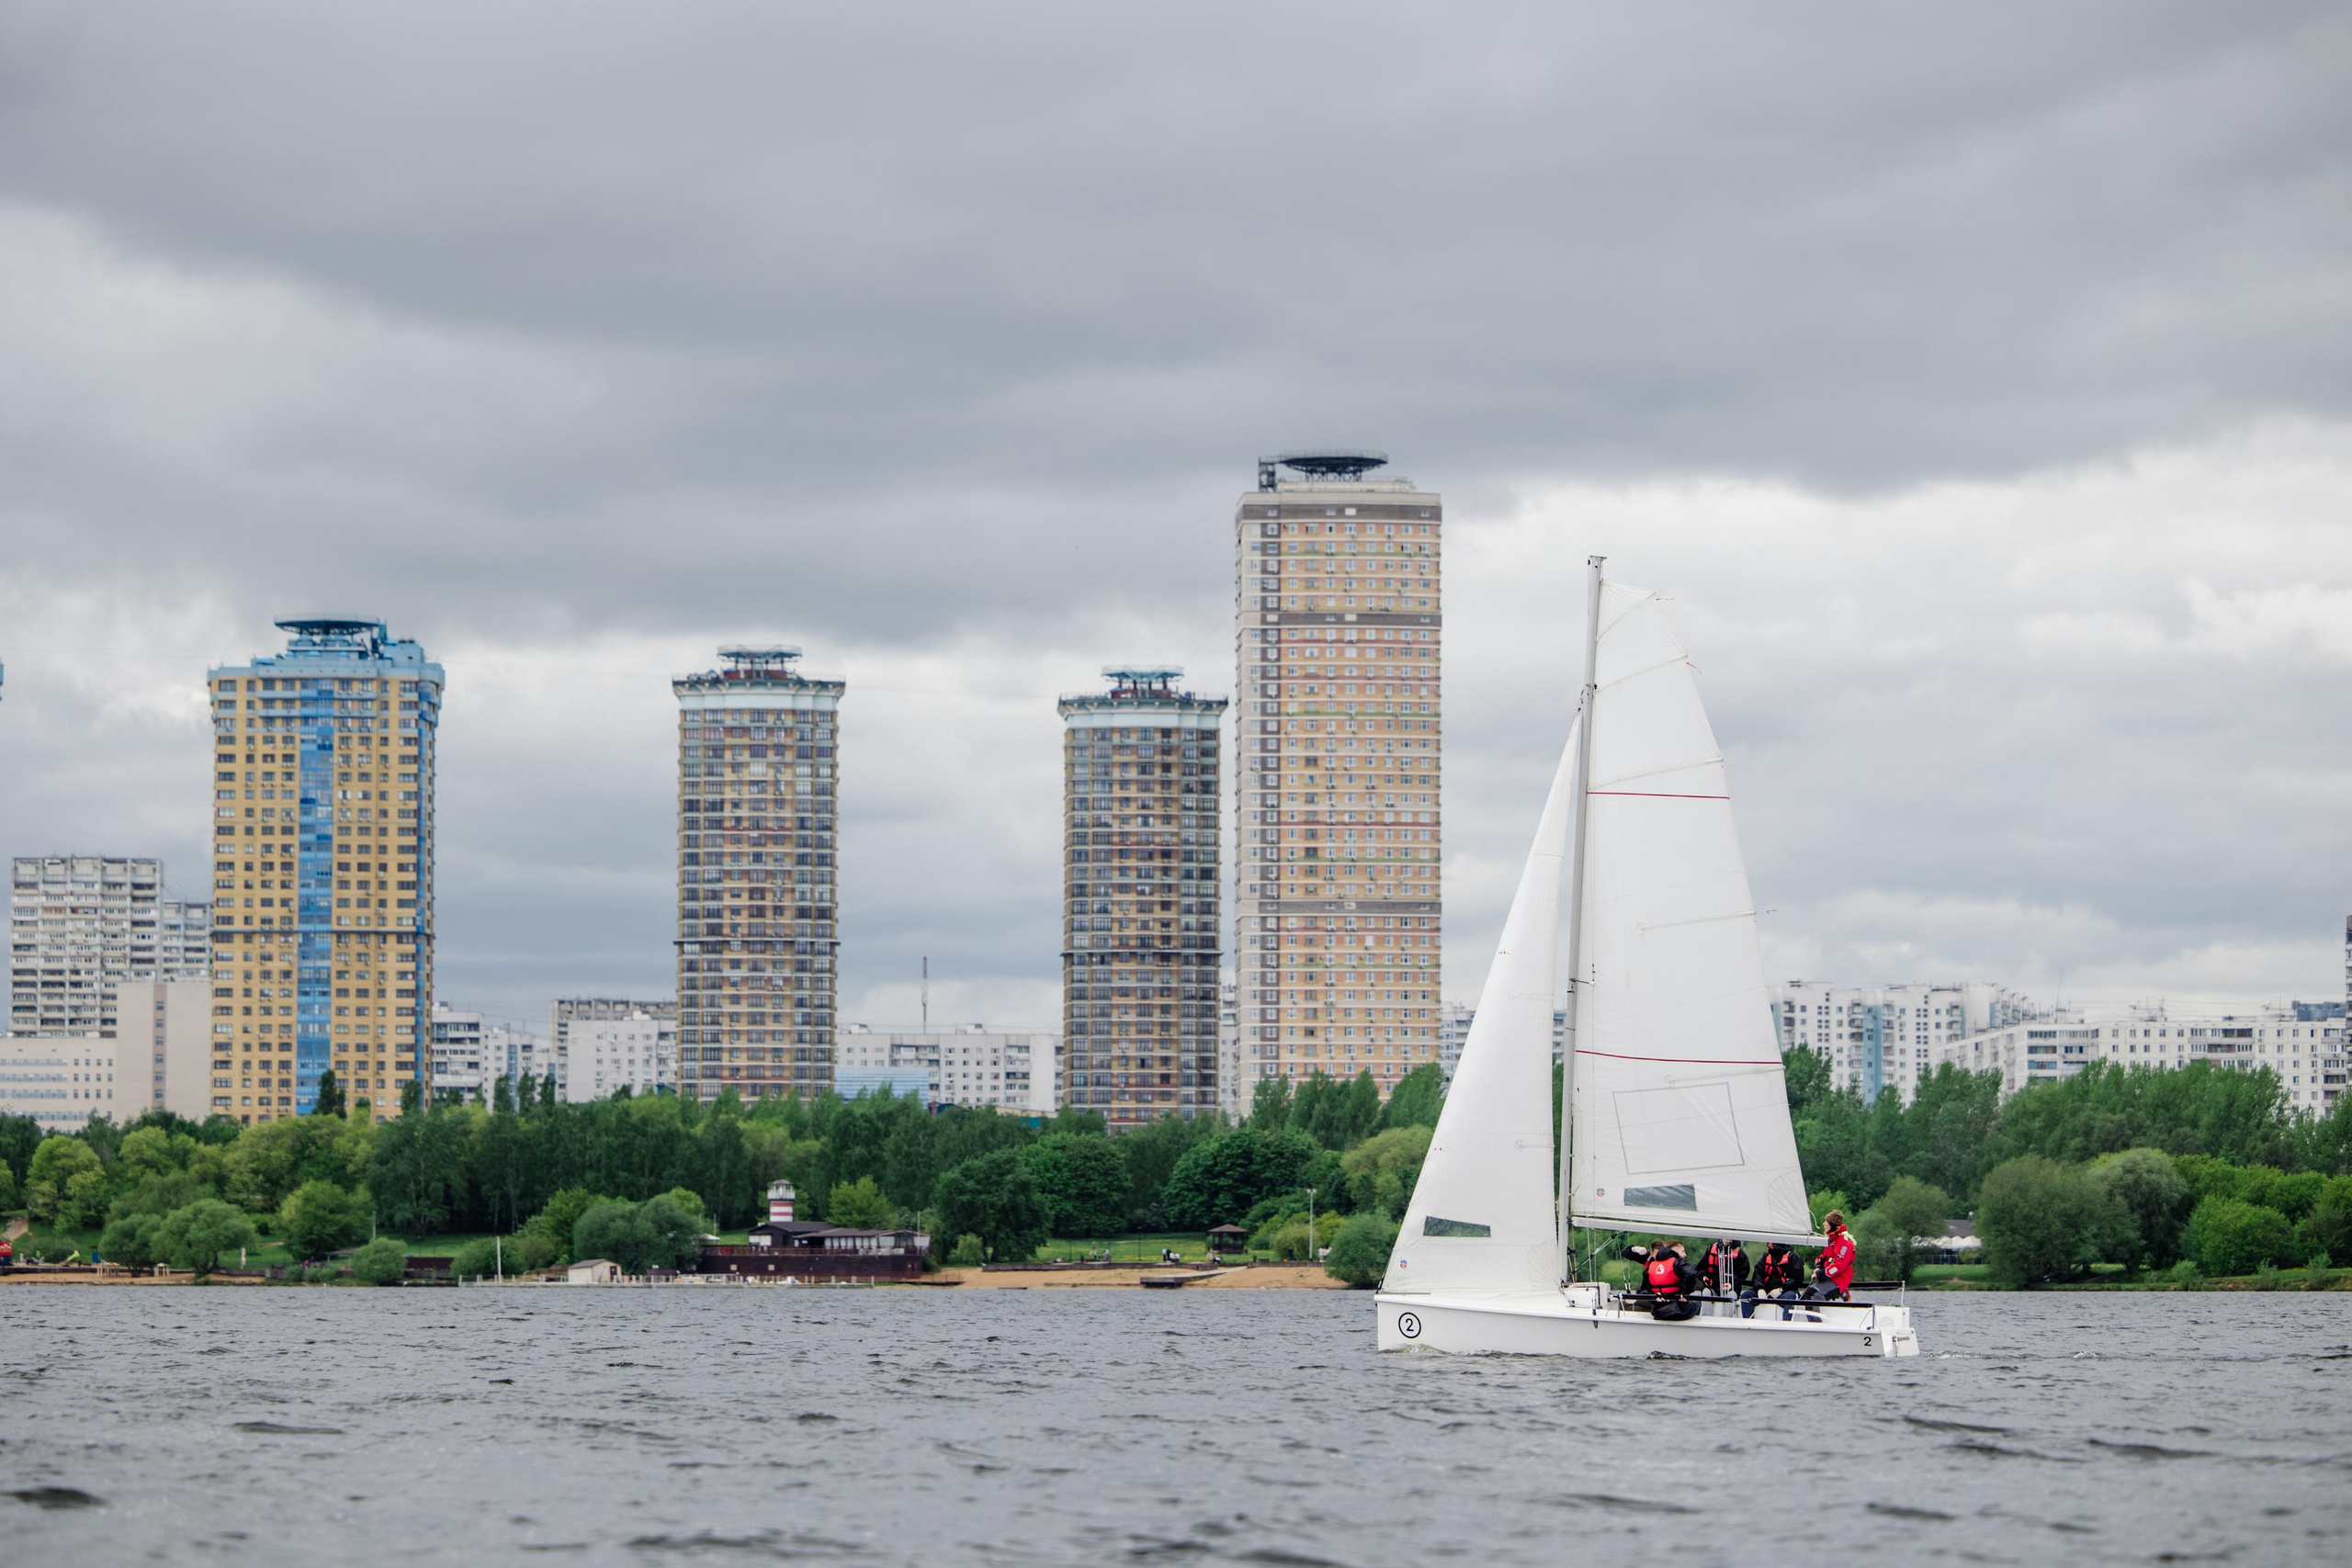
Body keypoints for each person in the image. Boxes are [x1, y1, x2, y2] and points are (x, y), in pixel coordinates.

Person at [1642, 1239, 1699, 1322]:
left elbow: (1642, 1291)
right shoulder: (1677, 1263)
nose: (1684, 1254)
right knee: (1697, 1303)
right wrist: (1685, 1291)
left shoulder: (1650, 1267)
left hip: (1658, 1312)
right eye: (1682, 1251)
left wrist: (1653, 1296)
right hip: (1679, 1311)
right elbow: (1692, 1273)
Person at [1815, 1211, 1857, 1300]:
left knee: (1813, 1294)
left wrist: (1823, 1273)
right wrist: (1818, 1266)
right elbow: (1823, 1256)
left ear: (1831, 1224)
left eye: (1826, 1221)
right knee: (1807, 1294)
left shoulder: (1843, 1242)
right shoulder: (1832, 1239)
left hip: (1839, 1277)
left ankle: (1842, 1291)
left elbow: (1840, 1264)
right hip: (1831, 1276)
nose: (1823, 1224)